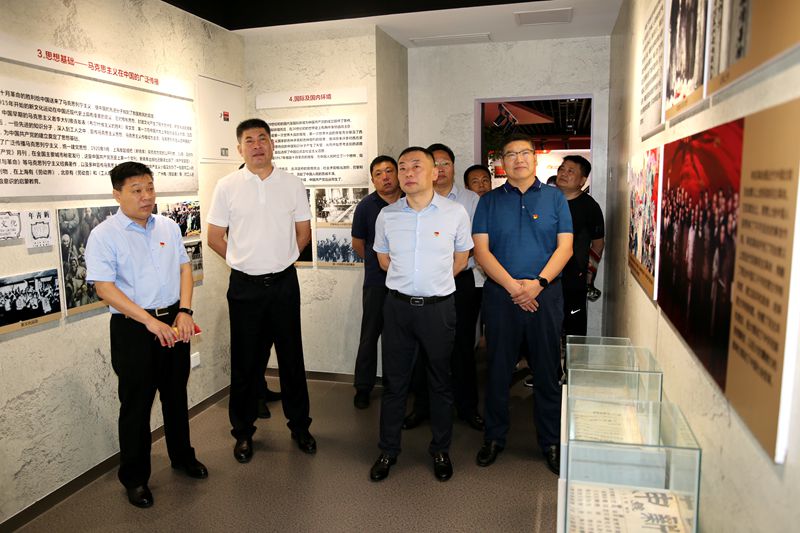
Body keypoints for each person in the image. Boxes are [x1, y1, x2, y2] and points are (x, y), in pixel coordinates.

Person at [85, 161, 207, 509]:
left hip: (174, 321)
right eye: (136, 190)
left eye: (150, 188)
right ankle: (135, 478)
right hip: (133, 329)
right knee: (136, 406)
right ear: (117, 194)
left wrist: (185, 310)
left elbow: (184, 268)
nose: (146, 196)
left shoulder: (167, 225)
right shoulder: (104, 235)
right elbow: (105, 288)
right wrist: (149, 322)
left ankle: (182, 457)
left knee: (175, 396)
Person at [207, 118, 315, 464]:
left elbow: (303, 232)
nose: (257, 145)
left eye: (262, 138)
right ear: (239, 148)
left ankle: (300, 427)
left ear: (272, 144)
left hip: (284, 284)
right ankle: (243, 432)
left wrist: (281, 260)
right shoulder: (227, 186)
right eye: (249, 140)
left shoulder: (292, 183)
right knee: (245, 362)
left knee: (292, 358)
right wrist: (242, 262)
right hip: (245, 287)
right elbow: (214, 237)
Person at [369, 146, 473, 482]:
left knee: (440, 381)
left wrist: (433, 282)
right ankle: (388, 450)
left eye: (417, 166)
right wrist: (410, 281)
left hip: (438, 310)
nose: (408, 173)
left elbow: (461, 259)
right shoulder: (387, 216)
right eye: (402, 167)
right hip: (397, 308)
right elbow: (383, 260)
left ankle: (440, 449)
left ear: (434, 173)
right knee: (395, 383)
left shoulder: (455, 213)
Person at [472, 133, 573, 475]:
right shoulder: (489, 202)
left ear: (535, 158)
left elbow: (565, 248)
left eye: (524, 153)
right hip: (502, 297)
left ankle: (551, 442)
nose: (518, 159)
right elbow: (481, 251)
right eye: (511, 154)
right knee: (498, 371)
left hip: (545, 296)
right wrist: (515, 288)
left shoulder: (555, 198)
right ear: (502, 162)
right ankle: (494, 437)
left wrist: (538, 284)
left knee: (547, 371)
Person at [402, 144, 484, 432]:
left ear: (452, 167)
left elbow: (475, 243)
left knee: (462, 345)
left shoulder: (470, 200)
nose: (441, 168)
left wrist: (447, 270)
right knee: (423, 347)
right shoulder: (412, 200)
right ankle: (422, 406)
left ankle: (467, 407)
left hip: (460, 280)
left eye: (446, 163)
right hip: (423, 284)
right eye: (435, 163)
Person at [351, 155, 402, 409]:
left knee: (400, 338)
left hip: (405, 282)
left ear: (398, 174)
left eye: (389, 171)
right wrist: (377, 262)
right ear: (373, 180)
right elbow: (358, 244)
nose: (385, 177)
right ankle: (363, 387)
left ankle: (398, 386)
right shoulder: (366, 206)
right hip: (376, 281)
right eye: (379, 173)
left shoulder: (410, 201)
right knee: (370, 335)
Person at [555, 155, 604, 337]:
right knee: (546, 328)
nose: (563, 173)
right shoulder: (547, 201)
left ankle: (572, 356)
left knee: (573, 330)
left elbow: (598, 245)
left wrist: (589, 277)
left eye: (571, 171)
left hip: (574, 278)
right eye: (562, 169)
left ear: (582, 181)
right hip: (544, 278)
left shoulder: (590, 207)